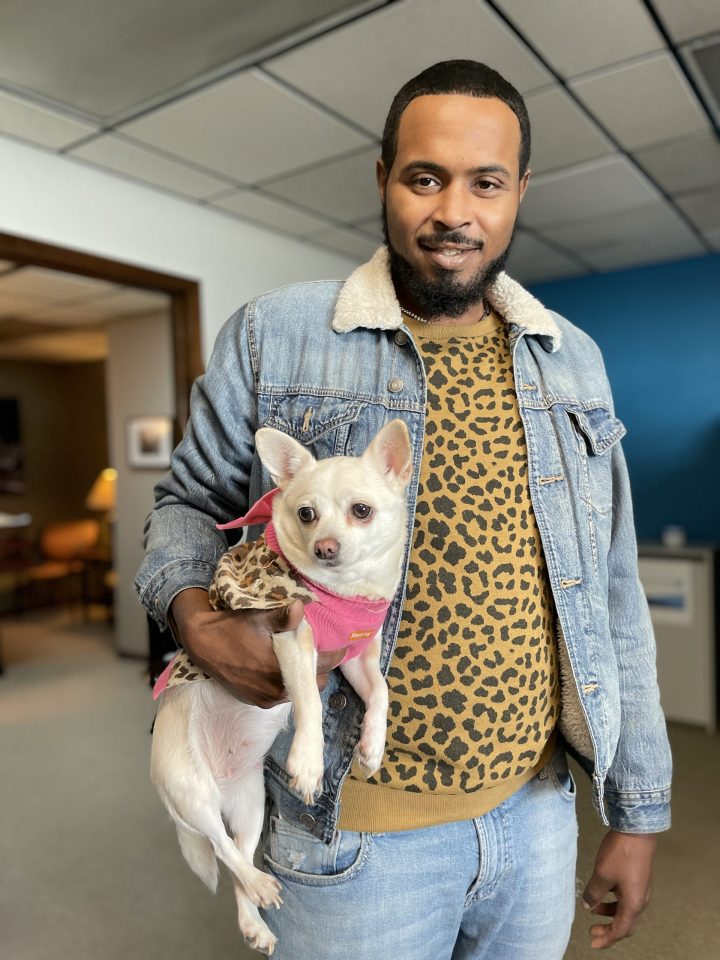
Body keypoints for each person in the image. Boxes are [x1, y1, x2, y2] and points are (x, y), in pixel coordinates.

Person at [137, 60, 671, 958]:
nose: (454, 211)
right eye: (425, 177)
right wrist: (194, 619)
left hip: (538, 814)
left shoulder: (573, 361)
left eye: (486, 183)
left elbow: (615, 592)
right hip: (350, 832)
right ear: (384, 177)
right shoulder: (278, 333)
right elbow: (186, 502)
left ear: (519, 192)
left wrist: (640, 808)